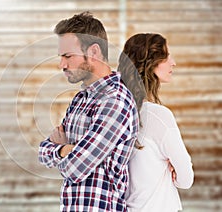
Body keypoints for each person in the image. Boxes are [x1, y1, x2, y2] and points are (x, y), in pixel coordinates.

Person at [38, 11, 139, 211]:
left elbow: (75, 168)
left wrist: (64, 150)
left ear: (93, 52)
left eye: (68, 56)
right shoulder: (80, 100)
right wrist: (67, 150)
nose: (62, 65)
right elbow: (42, 152)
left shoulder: (115, 101)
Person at [117, 33, 194, 212]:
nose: (172, 62)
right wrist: (172, 168)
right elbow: (186, 179)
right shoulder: (158, 116)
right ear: (150, 63)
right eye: (166, 55)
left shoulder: (118, 112)